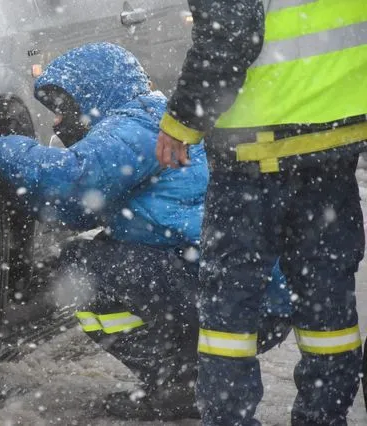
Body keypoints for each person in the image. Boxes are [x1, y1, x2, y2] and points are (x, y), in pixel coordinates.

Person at [0, 42, 292, 421]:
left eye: (62, 109)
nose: (57, 123)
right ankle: (185, 379)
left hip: (235, 296)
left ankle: (180, 380)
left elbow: (71, 183)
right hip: (251, 295)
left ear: (93, 93)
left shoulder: (134, 126)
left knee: (81, 269)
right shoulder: (151, 118)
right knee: (103, 255)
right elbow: (78, 209)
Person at [155, 1, 367, 424]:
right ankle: (324, 415)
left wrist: (181, 120)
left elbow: (230, 34)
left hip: (254, 152)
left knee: (229, 312)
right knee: (328, 305)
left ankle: (229, 418)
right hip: (334, 145)